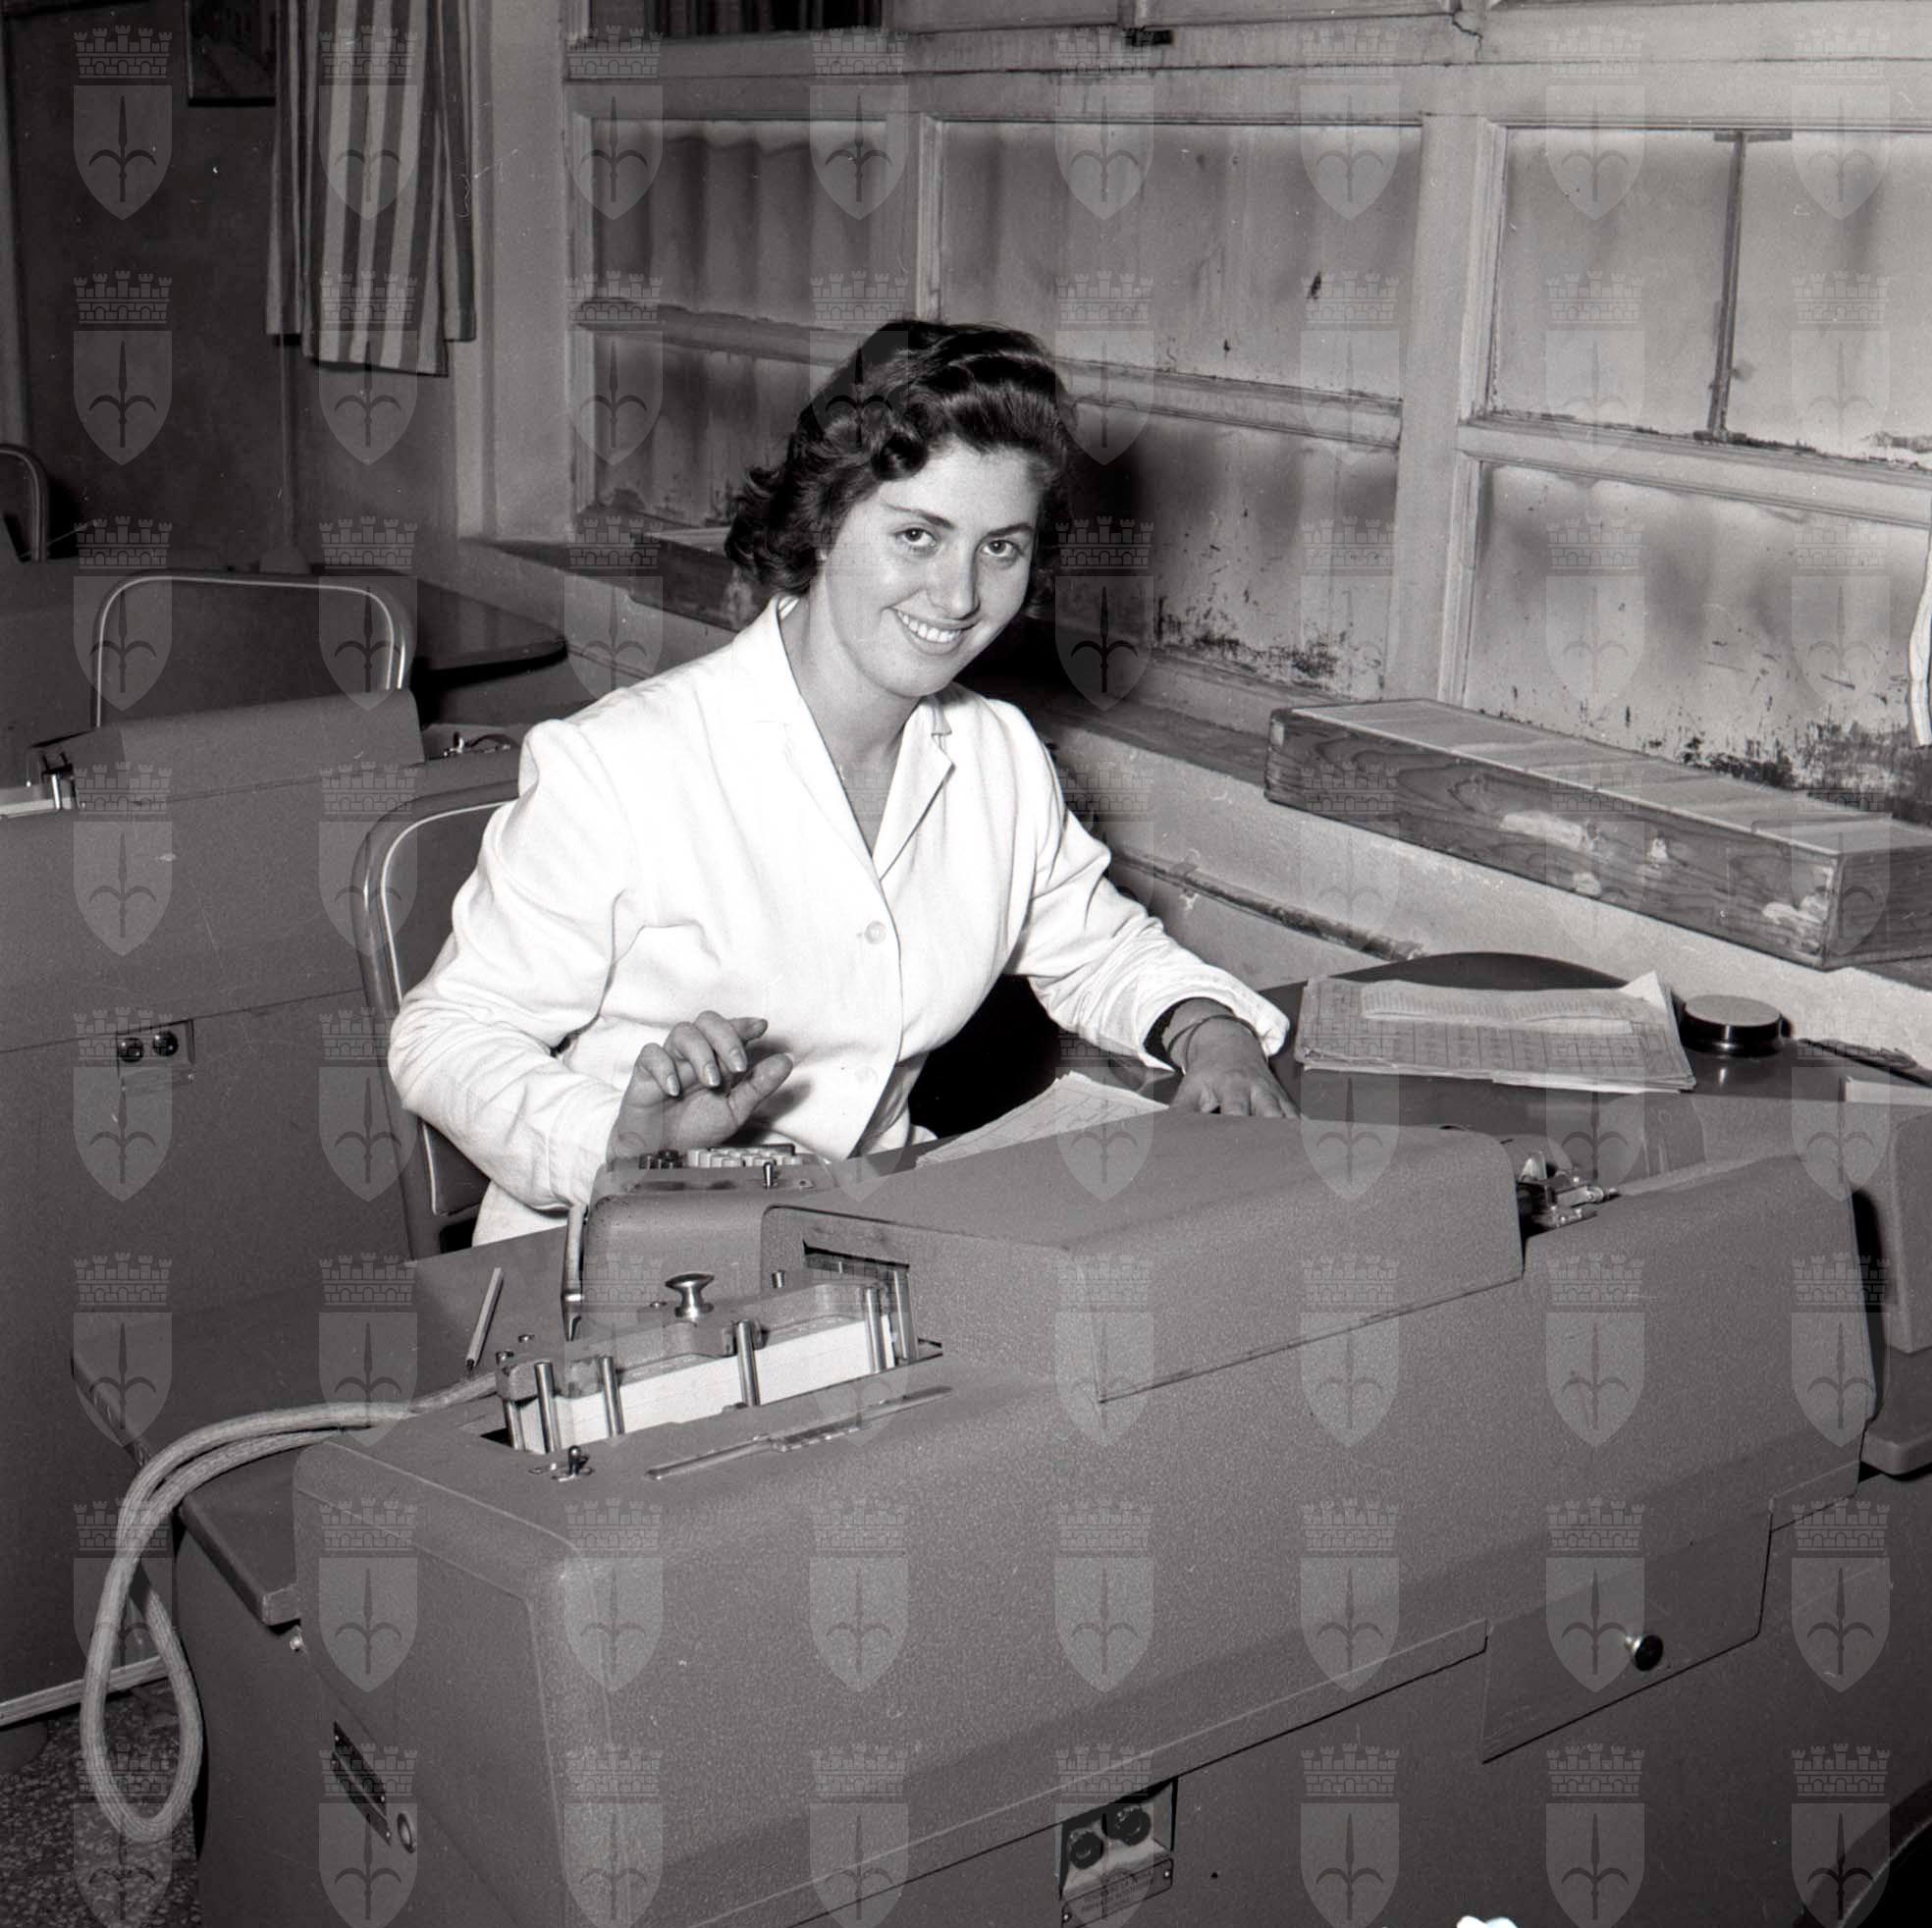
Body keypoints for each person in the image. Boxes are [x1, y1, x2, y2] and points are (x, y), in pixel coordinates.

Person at [390, 321, 1293, 1244]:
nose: (958, 597)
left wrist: (1208, 1031)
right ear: (823, 523)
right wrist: (616, 1147)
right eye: (917, 535)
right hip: (621, 1247)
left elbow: (1100, 950)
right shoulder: (620, 764)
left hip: (866, 1227)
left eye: (1001, 548)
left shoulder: (999, 755)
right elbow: (443, 1034)